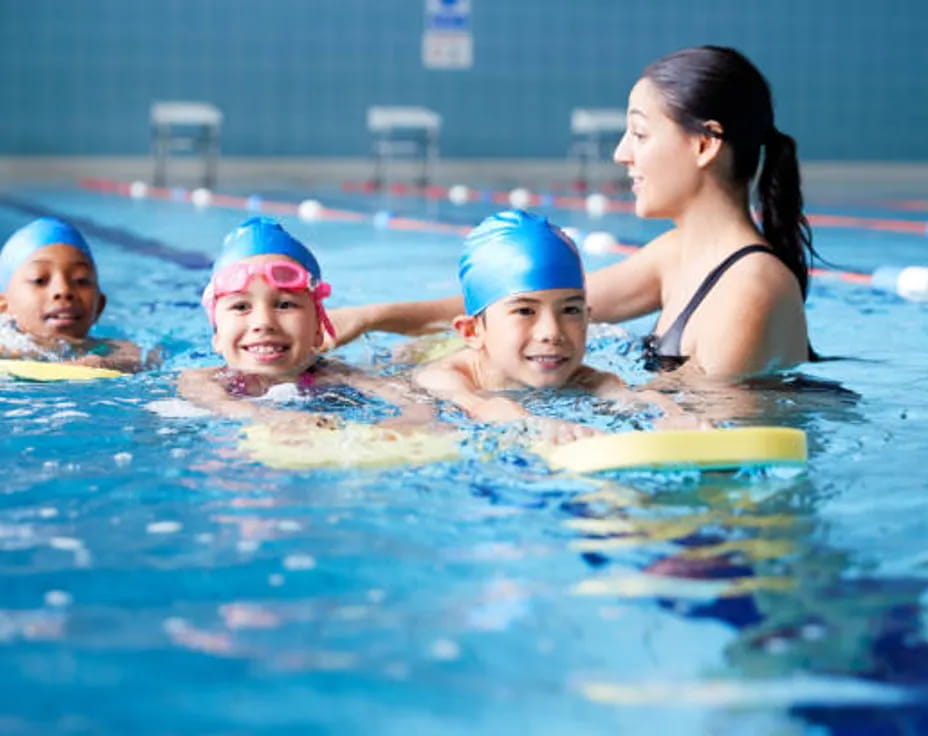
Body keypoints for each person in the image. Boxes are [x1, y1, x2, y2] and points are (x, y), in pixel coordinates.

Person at [327, 46, 816, 380]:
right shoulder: (679, 254)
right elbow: (519, 302)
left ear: (705, 144)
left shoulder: (749, 289)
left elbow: (698, 430)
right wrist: (372, 320)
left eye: (640, 135)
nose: (622, 154)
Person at [413, 210, 679, 442]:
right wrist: (535, 425)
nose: (552, 333)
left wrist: (673, 415)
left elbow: (628, 397)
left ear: (588, 319)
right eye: (525, 311)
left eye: (570, 310)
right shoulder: (441, 378)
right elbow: (482, 408)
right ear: (473, 332)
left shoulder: (588, 378)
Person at [179, 217, 431, 430]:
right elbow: (224, 406)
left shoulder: (336, 375)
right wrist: (274, 418)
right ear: (217, 338)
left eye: (285, 304)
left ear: (318, 331)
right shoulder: (202, 380)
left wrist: (413, 419)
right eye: (241, 306)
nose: (263, 323)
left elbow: (410, 399)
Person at [0, 217, 147, 371]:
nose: (63, 290)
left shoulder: (110, 352)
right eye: (39, 280)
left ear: (99, 306)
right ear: (3, 306)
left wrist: (104, 364)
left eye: (81, 280)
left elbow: (148, 358)